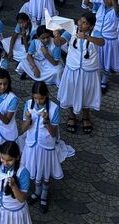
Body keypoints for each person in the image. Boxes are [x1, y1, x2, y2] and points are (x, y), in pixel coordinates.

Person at [20, 81, 74, 213]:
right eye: (36, 98)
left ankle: (44, 194)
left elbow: (54, 133)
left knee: (44, 171)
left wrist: (47, 121)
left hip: (46, 146)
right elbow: (23, 129)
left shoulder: (54, 108)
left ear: (47, 96)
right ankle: (37, 191)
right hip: (32, 145)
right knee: (35, 169)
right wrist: (28, 120)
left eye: (42, 98)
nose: (38, 101)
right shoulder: (28, 105)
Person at [0, 141, 31, 224]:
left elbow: (22, 199)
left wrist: (14, 186)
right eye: (2, 158)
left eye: (9, 160)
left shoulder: (23, 172)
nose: (5, 163)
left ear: (17, 157)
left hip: (13, 213)